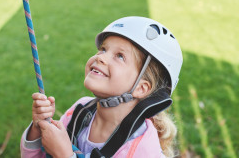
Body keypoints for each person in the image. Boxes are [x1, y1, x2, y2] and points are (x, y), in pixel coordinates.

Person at [20, 16, 183, 158]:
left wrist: (64, 155)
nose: (101, 57)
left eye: (120, 56)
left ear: (141, 88)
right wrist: (37, 129)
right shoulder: (79, 112)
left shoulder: (142, 149)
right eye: (103, 49)